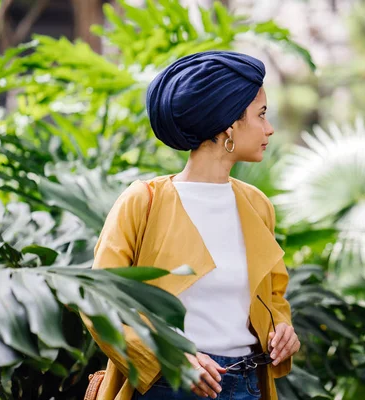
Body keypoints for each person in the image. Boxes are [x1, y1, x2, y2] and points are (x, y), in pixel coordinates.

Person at [83, 51, 300, 400]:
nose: (269, 128)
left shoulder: (257, 205)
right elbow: (97, 300)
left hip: (246, 384)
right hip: (165, 386)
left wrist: (283, 329)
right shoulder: (143, 201)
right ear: (229, 124)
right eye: (261, 115)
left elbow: (272, 297)